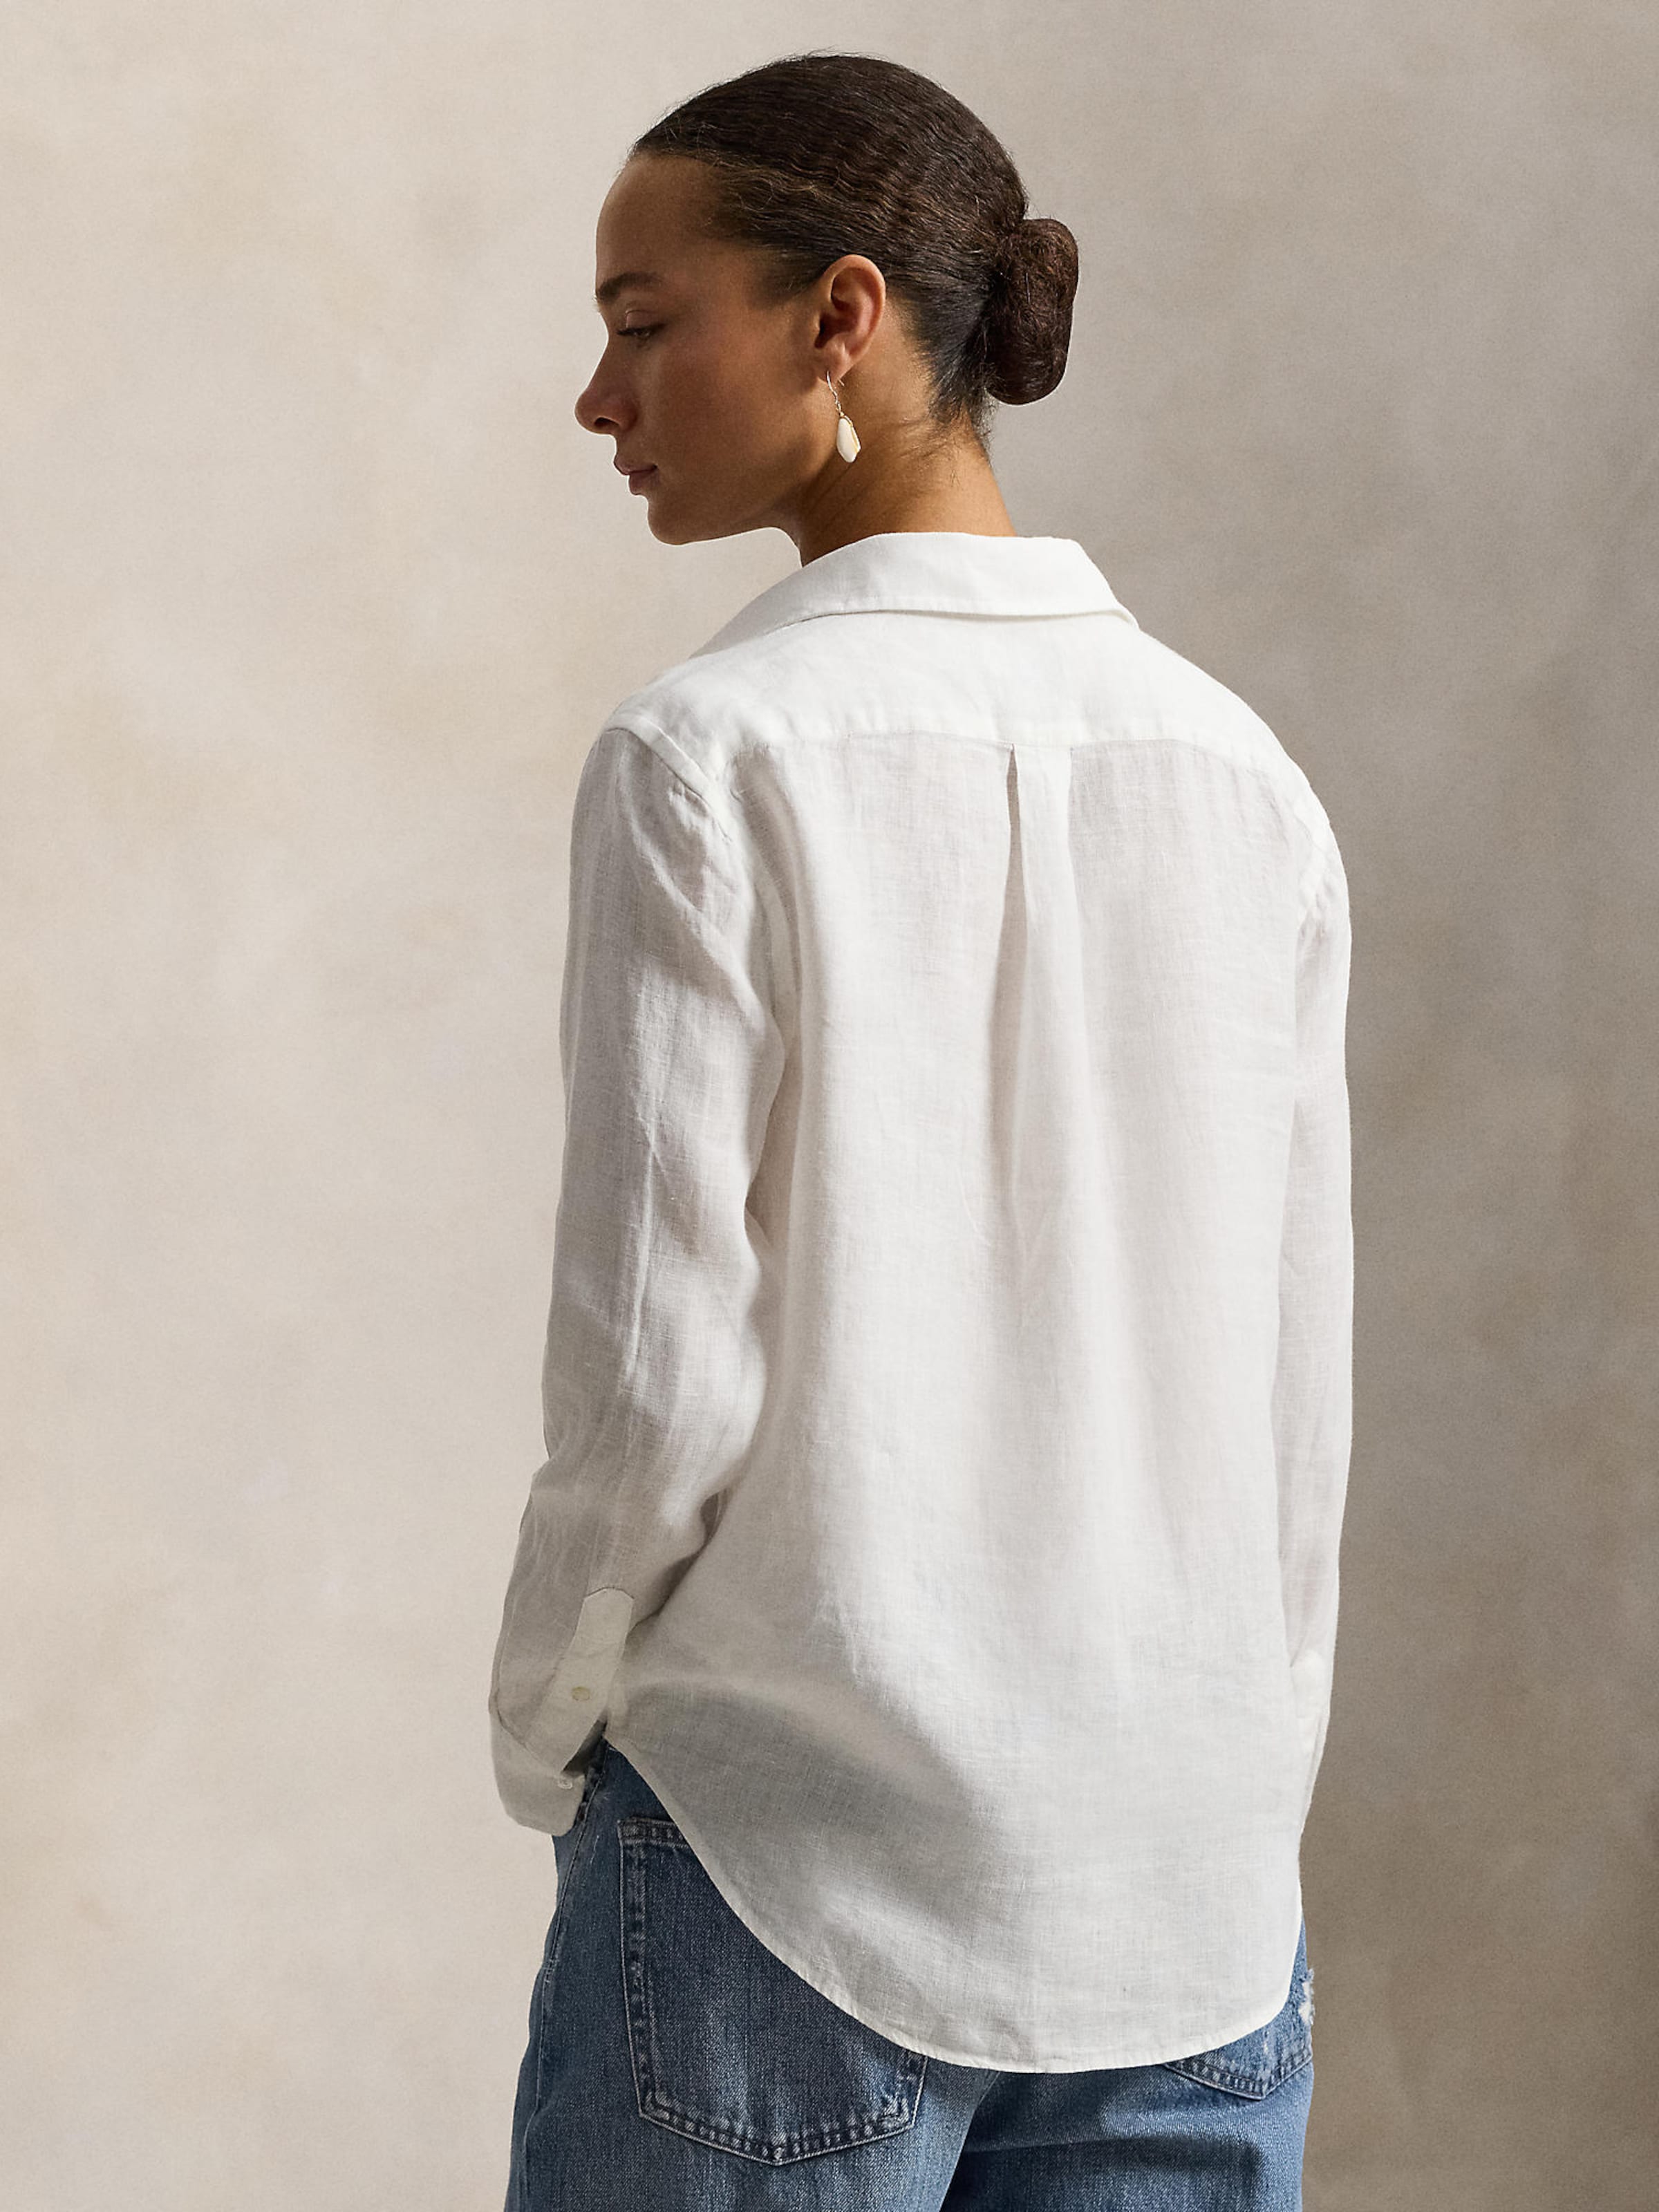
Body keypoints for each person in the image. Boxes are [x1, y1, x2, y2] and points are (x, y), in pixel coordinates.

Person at [490, 50, 1351, 2212]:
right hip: (1189, 1899)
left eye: (643, 322)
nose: (599, 397)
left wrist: (554, 1716)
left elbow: (658, 1372)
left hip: (788, 1866)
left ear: (843, 317)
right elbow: (1296, 1386)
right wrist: (1247, 1777)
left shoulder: (708, 758)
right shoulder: (1241, 776)